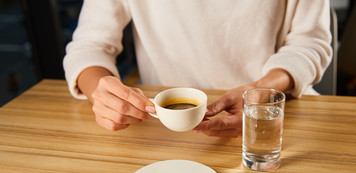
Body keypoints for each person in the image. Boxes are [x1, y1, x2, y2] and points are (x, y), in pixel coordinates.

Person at [63, 0, 332, 138]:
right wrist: (100, 90)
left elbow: (310, 42)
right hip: (163, 132)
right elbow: (89, 46)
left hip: (272, 113)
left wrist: (261, 91)